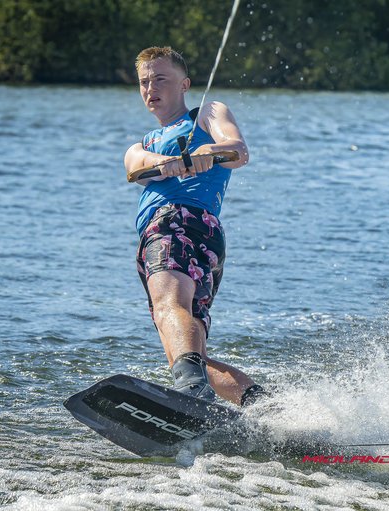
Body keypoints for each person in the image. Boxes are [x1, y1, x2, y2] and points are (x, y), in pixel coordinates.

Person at [124, 46, 264, 406]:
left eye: (160, 79)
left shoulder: (207, 114)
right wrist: (168, 162)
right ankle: (268, 409)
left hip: (176, 224)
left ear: (184, 84)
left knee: (168, 307)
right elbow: (135, 166)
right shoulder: (144, 143)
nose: (151, 88)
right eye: (144, 82)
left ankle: (192, 392)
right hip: (198, 238)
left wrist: (208, 152)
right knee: (188, 351)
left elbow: (237, 151)